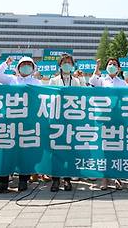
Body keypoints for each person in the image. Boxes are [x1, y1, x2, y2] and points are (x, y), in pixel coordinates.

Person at [0, 56, 42, 192]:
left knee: (24, 152)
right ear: (18, 67)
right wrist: (6, 64)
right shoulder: (11, 79)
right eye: (23, 64)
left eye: (29, 64)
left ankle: (23, 180)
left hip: (28, 122)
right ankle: (2, 182)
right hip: (10, 121)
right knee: (6, 151)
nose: (26, 67)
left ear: (33, 67)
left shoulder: (37, 82)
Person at [89, 58, 126, 190]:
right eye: (109, 64)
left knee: (117, 148)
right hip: (103, 118)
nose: (112, 66)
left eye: (114, 64)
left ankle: (117, 177)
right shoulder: (101, 80)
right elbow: (91, 82)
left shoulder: (122, 83)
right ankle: (104, 178)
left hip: (117, 119)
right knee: (104, 148)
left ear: (119, 69)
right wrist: (96, 68)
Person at [48, 54, 81, 192]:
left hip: (71, 119)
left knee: (69, 150)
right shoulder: (53, 80)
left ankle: (67, 179)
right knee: (56, 150)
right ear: (60, 65)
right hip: (56, 119)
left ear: (73, 65)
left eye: (69, 62)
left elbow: (82, 97)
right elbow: (49, 99)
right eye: (64, 62)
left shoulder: (77, 81)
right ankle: (55, 180)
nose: (67, 64)